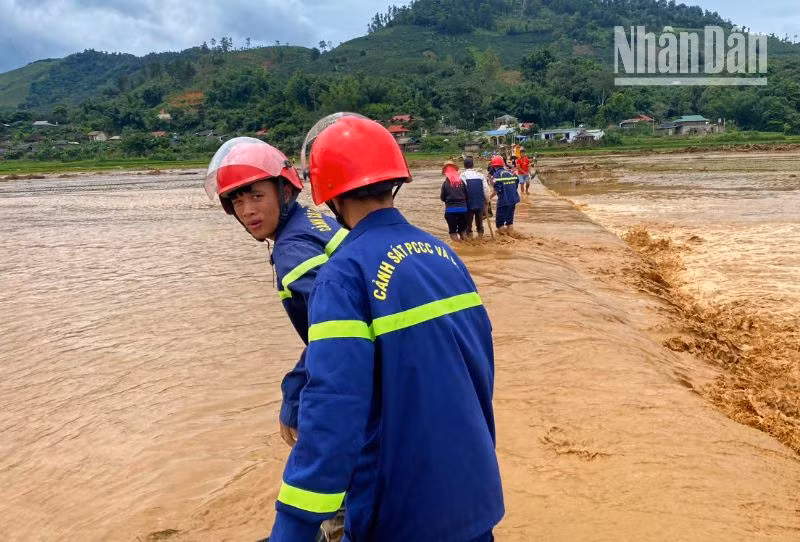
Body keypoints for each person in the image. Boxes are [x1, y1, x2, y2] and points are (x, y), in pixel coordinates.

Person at [268, 113, 504, 542]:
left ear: (326, 193)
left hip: (405, 514)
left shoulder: (343, 275)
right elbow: (480, 369)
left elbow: (332, 415)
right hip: (475, 495)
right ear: (394, 177)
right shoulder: (442, 254)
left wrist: (292, 527)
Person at [204, 137, 346, 542]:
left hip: (352, 376)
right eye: (236, 201)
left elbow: (336, 329)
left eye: (256, 195)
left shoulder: (293, 248)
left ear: (285, 190)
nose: (247, 210)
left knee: (329, 485)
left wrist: (294, 390)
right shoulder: (316, 221)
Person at [460, 156, 490, 238]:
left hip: (468, 203)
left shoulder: (462, 176)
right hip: (480, 203)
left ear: (464, 166)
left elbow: (462, 191)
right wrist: (487, 201)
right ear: (473, 165)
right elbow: (486, 190)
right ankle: (480, 238)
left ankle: (470, 240)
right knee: (479, 223)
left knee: (468, 225)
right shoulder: (480, 175)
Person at [489, 154, 520, 232]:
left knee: (500, 223)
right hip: (513, 199)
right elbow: (516, 182)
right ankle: (511, 235)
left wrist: (488, 198)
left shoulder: (497, 174)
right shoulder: (510, 172)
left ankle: (504, 238)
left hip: (504, 201)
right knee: (509, 221)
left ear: (494, 166)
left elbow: (497, 189)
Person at [440, 160, 468, 241]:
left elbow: (442, 198)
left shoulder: (445, 184)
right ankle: (468, 247)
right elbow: (467, 195)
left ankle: (458, 251)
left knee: (453, 233)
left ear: (445, 172)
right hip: (463, 210)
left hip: (450, 210)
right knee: (462, 232)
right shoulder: (462, 182)